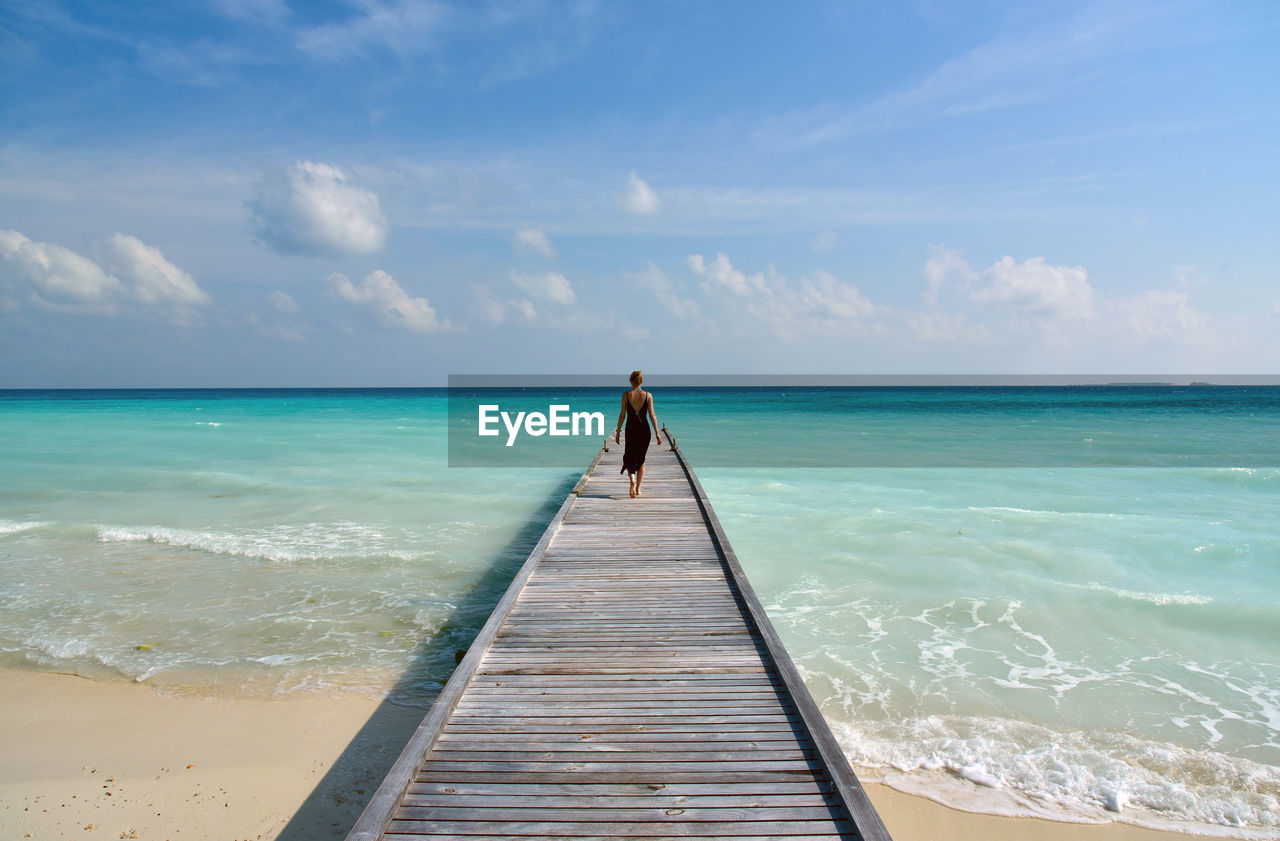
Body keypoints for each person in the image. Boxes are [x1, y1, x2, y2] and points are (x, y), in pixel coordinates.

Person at [615, 369, 662, 498]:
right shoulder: (648, 395)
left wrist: (618, 431)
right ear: (641, 381)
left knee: (629, 455)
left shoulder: (626, 395)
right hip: (644, 431)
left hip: (631, 430)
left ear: (631, 381)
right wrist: (657, 433)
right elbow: (652, 415)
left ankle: (632, 478)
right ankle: (638, 488)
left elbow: (622, 415)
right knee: (641, 459)